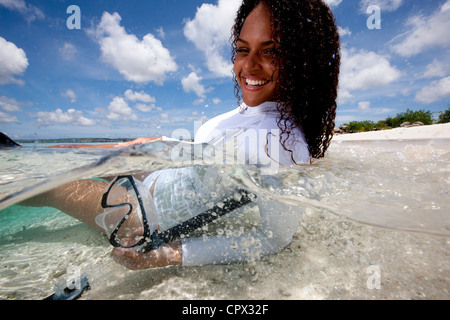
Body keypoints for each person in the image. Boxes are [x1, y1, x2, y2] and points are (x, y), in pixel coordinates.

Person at [20, 0, 340, 270]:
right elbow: (211, 154)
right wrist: (157, 146)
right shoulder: (254, 111)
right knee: (96, 160)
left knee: (55, 185)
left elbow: (274, 239)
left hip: (145, 214)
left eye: (270, 52)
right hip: (160, 179)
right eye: (244, 49)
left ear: (302, 63)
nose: (249, 65)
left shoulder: (282, 144)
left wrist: (172, 254)